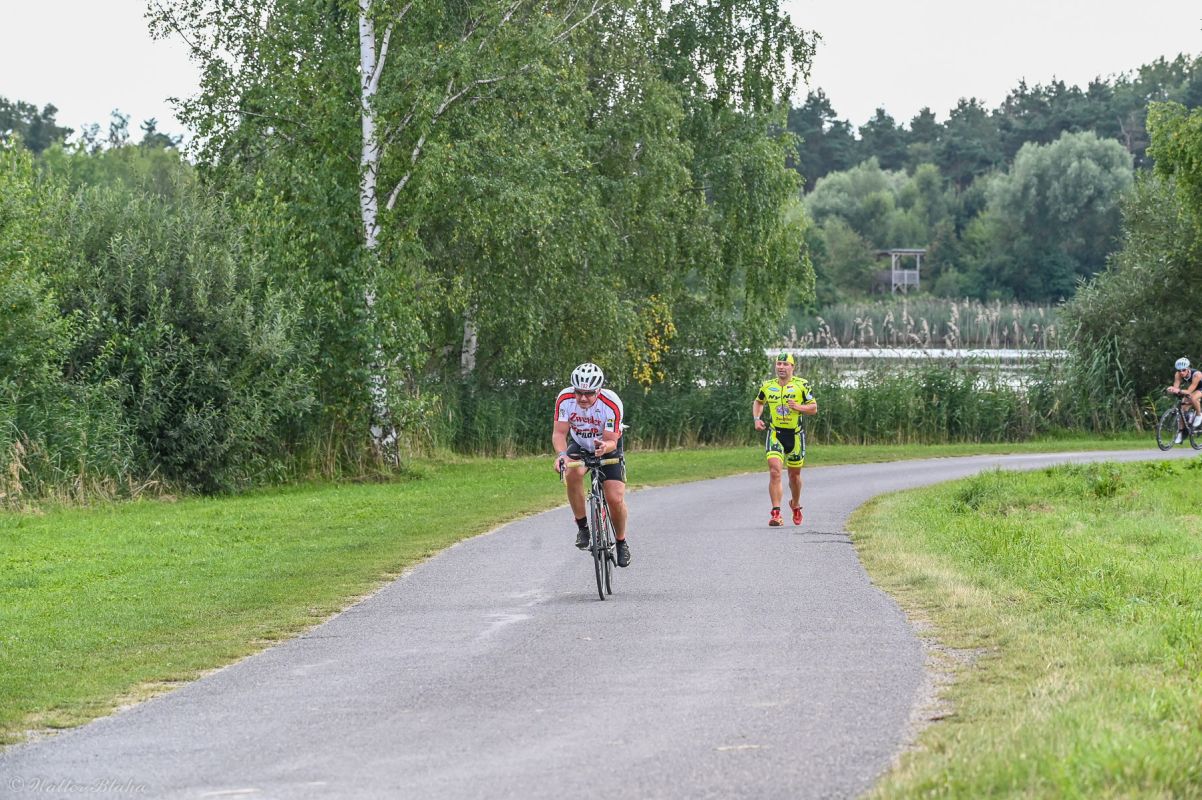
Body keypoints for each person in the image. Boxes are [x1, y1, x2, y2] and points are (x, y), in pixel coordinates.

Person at [552, 362, 631, 567]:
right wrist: (562, 455)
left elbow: (612, 439)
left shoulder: (611, 402)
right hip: (580, 443)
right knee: (572, 473)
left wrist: (605, 447)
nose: (583, 398)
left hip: (607, 445)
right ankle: (583, 528)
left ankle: (621, 541)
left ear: (598, 390)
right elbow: (559, 433)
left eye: (588, 393)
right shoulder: (565, 399)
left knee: (614, 498)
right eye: (579, 392)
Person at [753, 352, 817, 527]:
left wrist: (798, 407)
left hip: (795, 436)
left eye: (785, 364)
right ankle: (776, 513)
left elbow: (813, 408)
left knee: (794, 476)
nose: (781, 367)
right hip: (775, 434)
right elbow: (758, 402)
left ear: (792, 367)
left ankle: (795, 504)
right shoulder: (768, 386)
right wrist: (757, 419)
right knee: (775, 471)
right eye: (778, 364)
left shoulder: (802, 385)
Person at [1168, 356, 1202, 444]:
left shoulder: (1197, 375)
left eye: (1183, 370)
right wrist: (1172, 389)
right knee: (1182, 409)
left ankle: (1199, 415)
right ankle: (1180, 433)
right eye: (1179, 370)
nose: (1181, 372)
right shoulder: (1178, 374)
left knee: (1193, 398)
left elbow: (1189, 391)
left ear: (1188, 368)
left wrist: (1179, 391)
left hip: (1200, 388)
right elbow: (1176, 387)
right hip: (1194, 388)